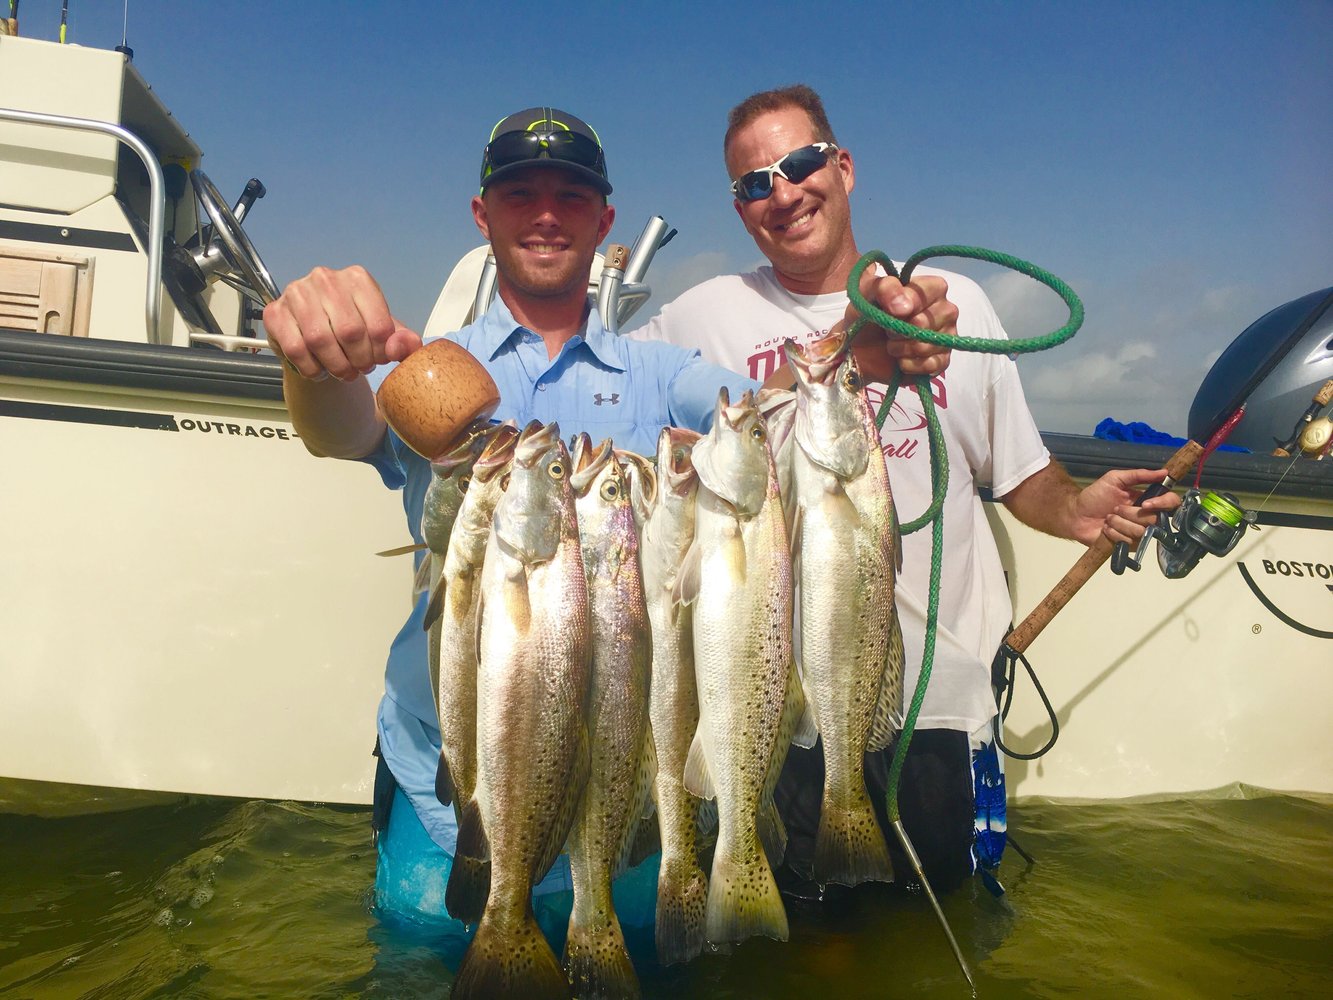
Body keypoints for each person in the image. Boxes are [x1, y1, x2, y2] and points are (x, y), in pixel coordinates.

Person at [260, 105, 957, 951]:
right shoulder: (432, 367)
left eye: (570, 195)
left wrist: (861, 348)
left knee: (623, 960)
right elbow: (342, 432)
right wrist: (312, 361)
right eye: (520, 193)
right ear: (483, 215)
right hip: (454, 791)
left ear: (604, 220)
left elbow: (767, 417)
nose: (546, 213)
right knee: (422, 960)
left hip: (624, 789)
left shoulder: (664, 376)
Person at [633, 84, 1181, 894]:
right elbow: (601, 395)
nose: (781, 193)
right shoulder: (699, 316)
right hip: (777, 709)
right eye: (753, 183)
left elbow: (1019, 472)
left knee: (932, 935)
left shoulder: (962, 308)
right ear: (740, 207)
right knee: (809, 955)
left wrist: (1072, 509)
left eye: (799, 163)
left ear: (843, 166)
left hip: (938, 702)